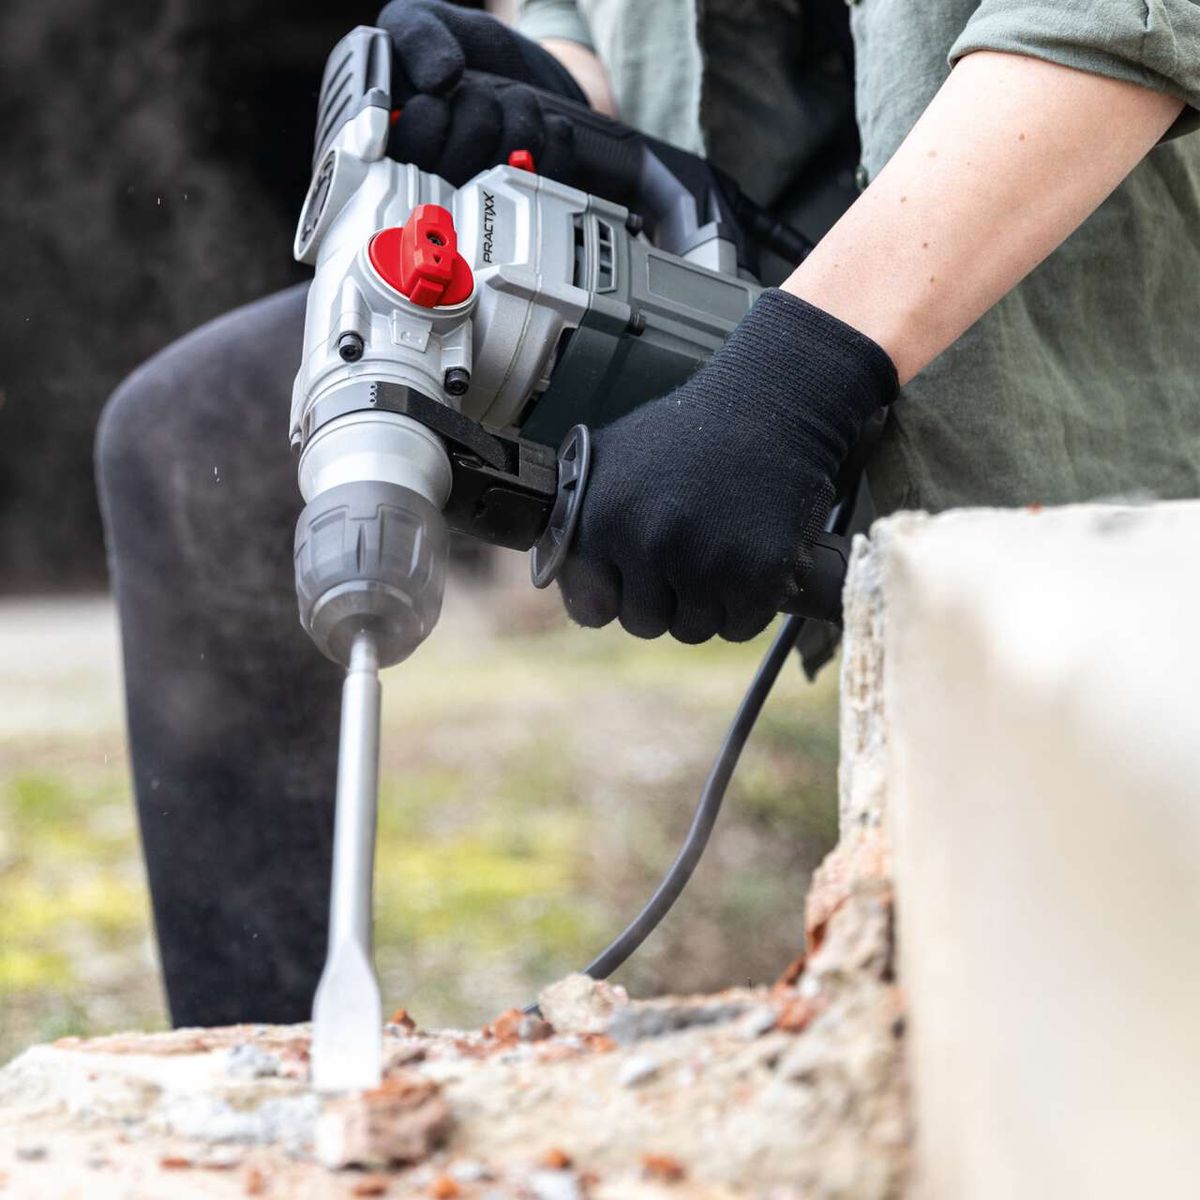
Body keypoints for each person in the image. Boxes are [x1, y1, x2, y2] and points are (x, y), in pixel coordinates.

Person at [96, 0, 1200, 1026]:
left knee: (1084, 959)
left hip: (1050, 332)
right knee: (190, 442)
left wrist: (796, 375)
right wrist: (551, 95)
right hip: (754, 274)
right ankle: (274, 1084)